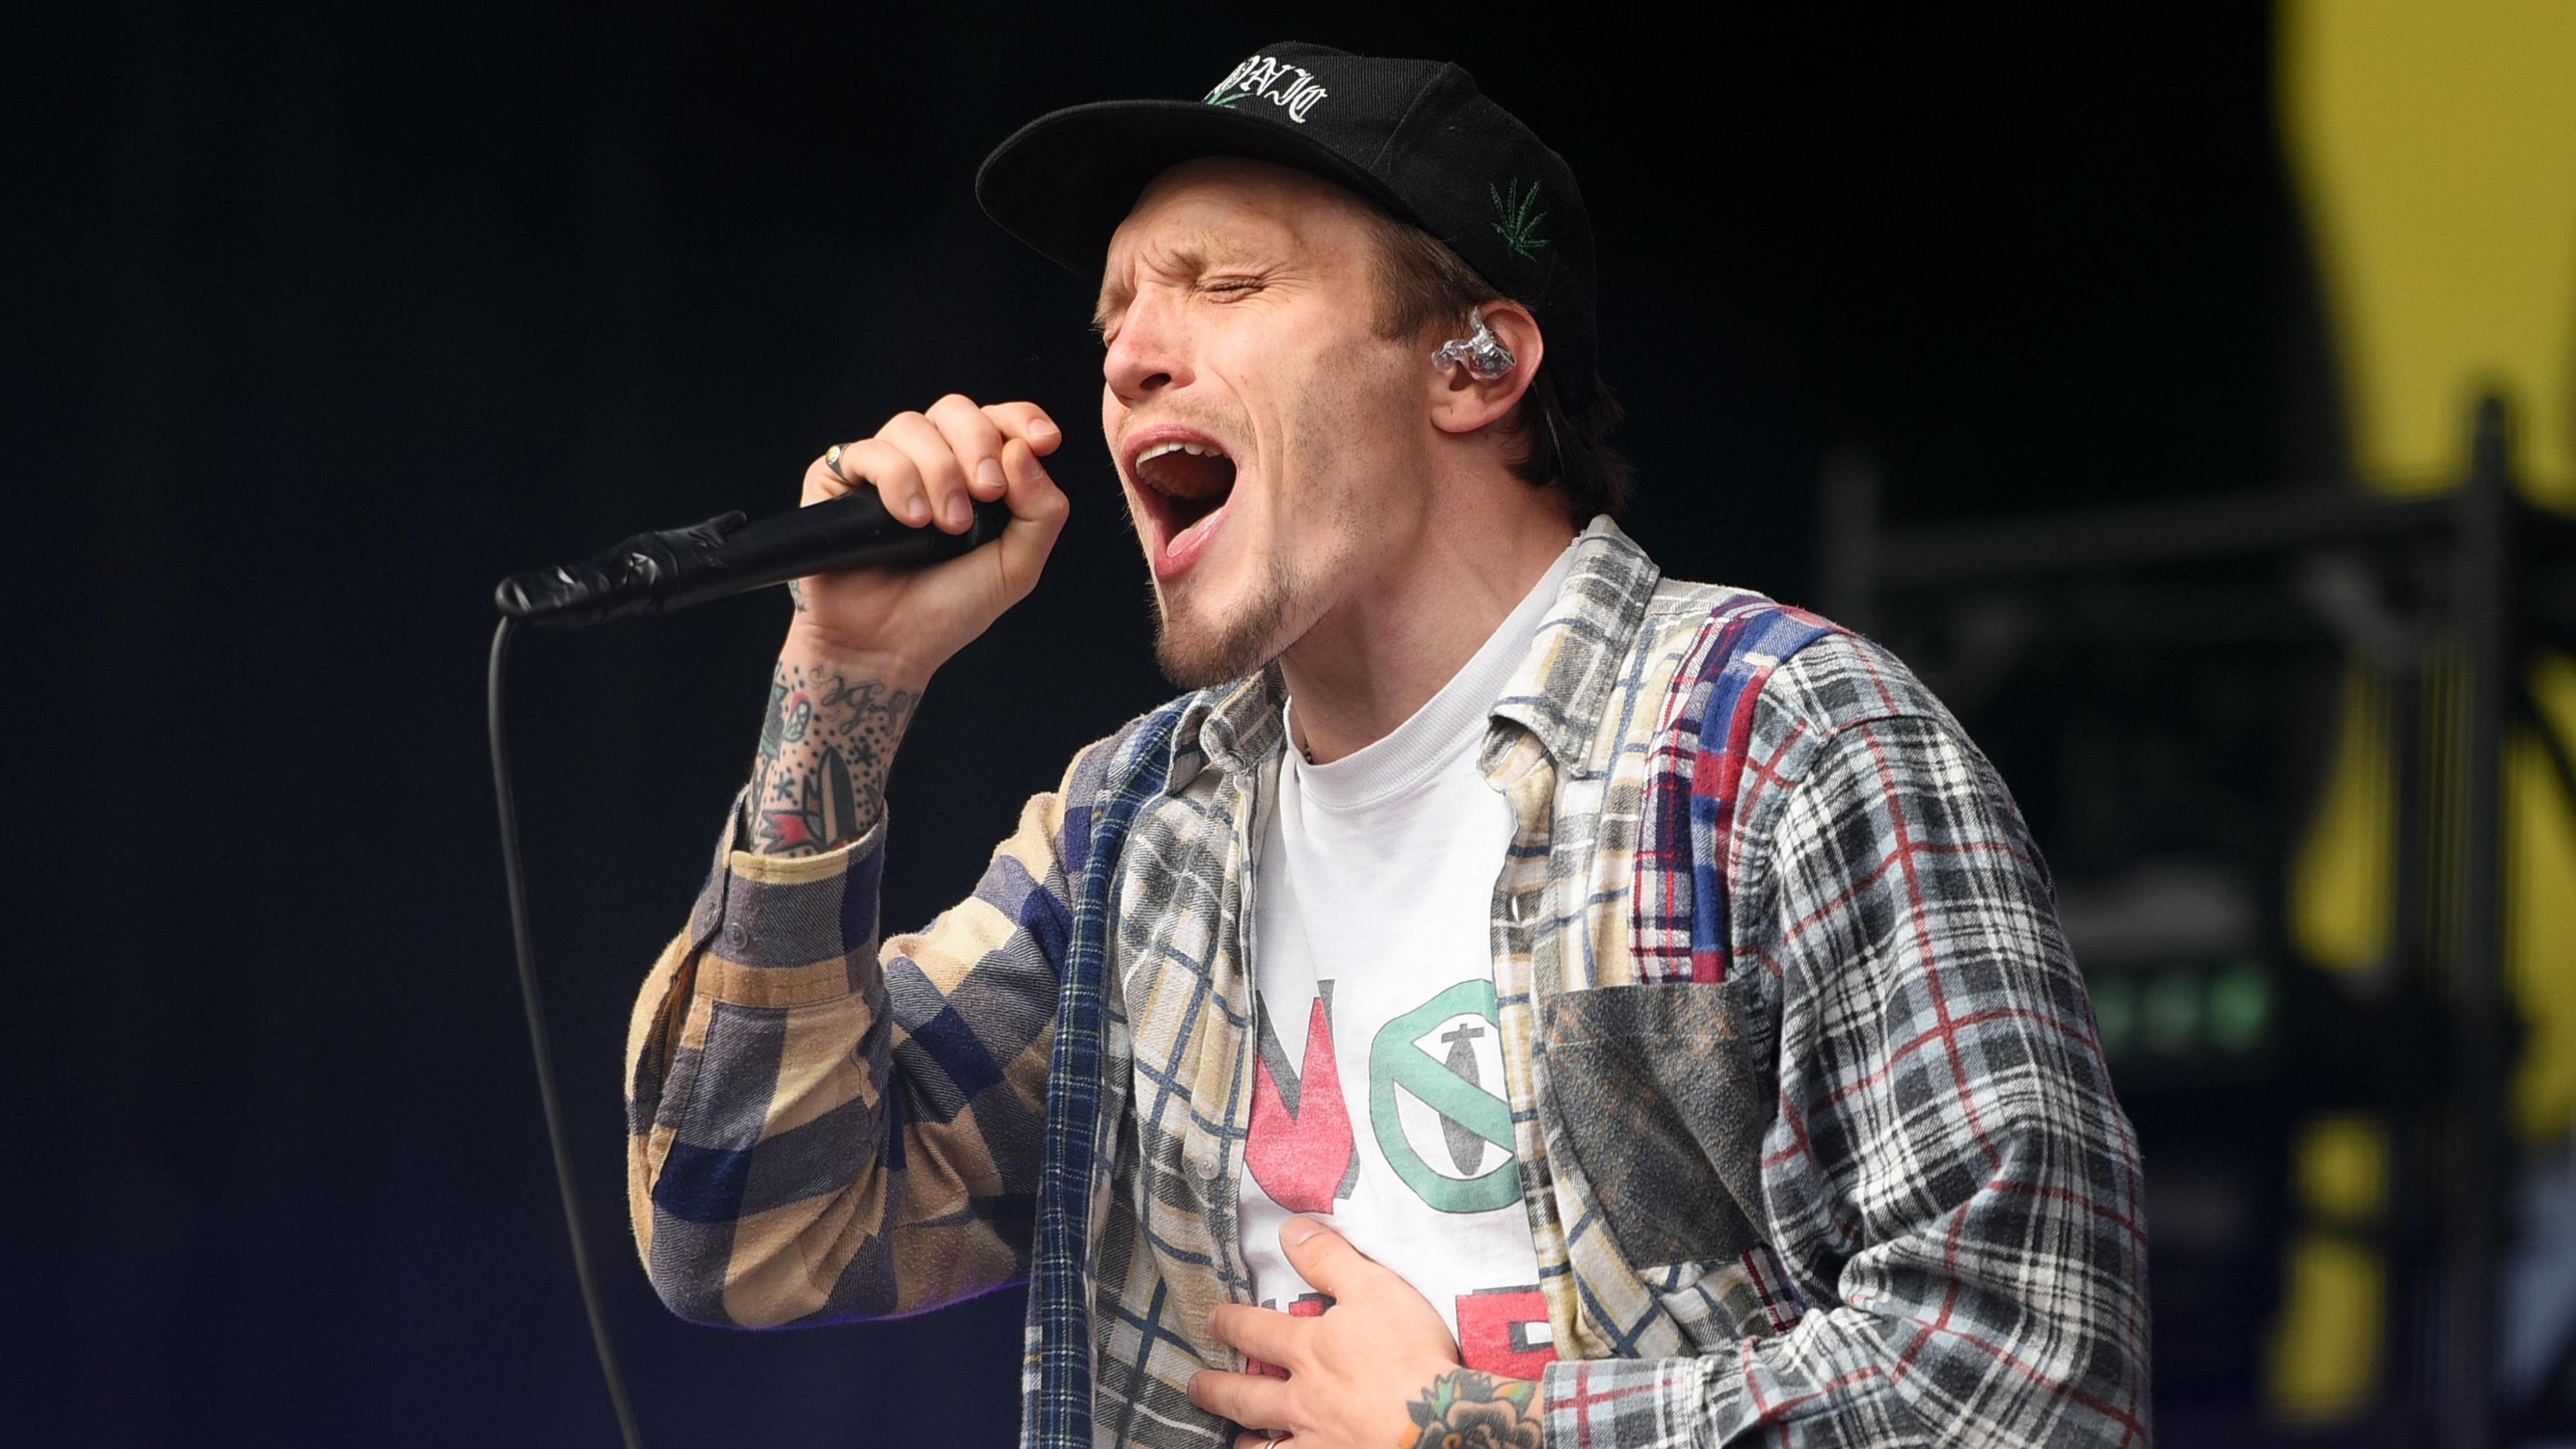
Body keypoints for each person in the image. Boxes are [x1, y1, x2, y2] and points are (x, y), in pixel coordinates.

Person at [623, 42, 2149, 1448]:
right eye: (1113, 320)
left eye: (1221, 284)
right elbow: (745, 1230)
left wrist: (1472, 1429)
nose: (1130, 357)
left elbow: (2030, 1383)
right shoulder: (1140, 828)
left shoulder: (1777, 744)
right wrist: (847, 677)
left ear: (1476, 365)